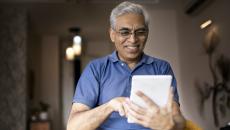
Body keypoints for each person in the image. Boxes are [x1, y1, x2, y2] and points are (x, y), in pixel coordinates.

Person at [67, 1, 185, 130]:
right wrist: (110, 106)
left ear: (147, 34)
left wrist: (170, 125)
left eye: (140, 32)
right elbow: (73, 126)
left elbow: (178, 120)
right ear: (112, 34)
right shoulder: (96, 69)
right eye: (125, 32)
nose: (133, 39)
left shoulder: (161, 68)